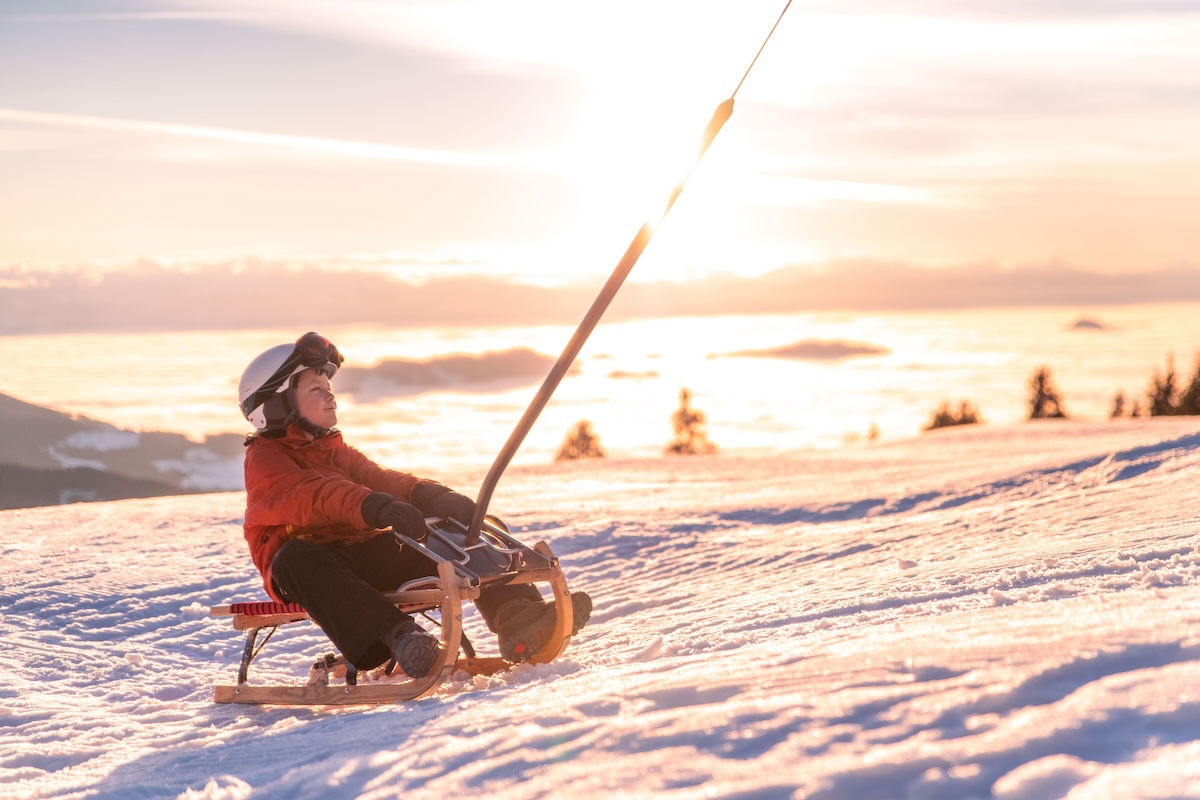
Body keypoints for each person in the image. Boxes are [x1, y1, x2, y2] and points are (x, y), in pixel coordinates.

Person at [237, 332, 591, 679]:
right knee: (297, 559)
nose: (330, 396)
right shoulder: (265, 458)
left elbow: (378, 478)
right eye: (316, 389)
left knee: (456, 534)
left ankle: (518, 619)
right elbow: (311, 494)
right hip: (312, 573)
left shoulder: (332, 448)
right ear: (277, 404)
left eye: (329, 387)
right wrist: (372, 506)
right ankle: (400, 639)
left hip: (361, 556)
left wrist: (428, 495)